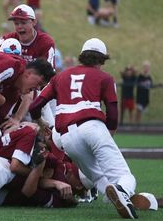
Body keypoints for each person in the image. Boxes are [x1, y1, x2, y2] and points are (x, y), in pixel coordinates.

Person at [29, 38, 138, 219]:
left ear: (82, 56)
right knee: (125, 175)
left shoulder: (60, 76)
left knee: (97, 178)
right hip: (92, 127)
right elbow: (112, 111)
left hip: (67, 137)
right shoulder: (105, 77)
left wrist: (40, 123)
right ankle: (125, 191)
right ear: (102, 59)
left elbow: (35, 106)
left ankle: (120, 197)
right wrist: (109, 132)